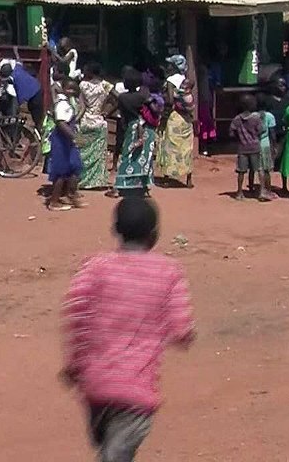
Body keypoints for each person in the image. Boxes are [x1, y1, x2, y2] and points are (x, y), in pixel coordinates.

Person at [61, 197, 195, 462]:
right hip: (136, 395)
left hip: (96, 389)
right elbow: (181, 328)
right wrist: (184, 335)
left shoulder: (95, 268)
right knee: (116, 454)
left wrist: (75, 364)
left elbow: (77, 316)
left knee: (108, 448)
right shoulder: (169, 273)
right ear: (154, 235)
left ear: (115, 230)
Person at [113, 70, 158, 198]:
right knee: (144, 157)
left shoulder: (122, 97)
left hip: (131, 127)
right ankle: (143, 186)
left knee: (127, 156)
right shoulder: (142, 96)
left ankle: (119, 187)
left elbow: (122, 114)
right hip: (145, 129)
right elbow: (155, 110)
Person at [157, 55, 196, 188]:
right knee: (186, 148)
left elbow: (170, 101)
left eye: (170, 64)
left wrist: (163, 115)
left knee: (170, 147)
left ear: (174, 66)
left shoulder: (171, 80)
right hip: (186, 118)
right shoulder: (186, 80)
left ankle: (167, 178)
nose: (168, 66)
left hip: (174, 117)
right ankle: (188, 179)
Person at [47, 79, 84, 211]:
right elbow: (61, 123)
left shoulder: (68, 102)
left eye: (74, 89)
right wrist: (75, 137)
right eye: (69, 89)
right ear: (63, 89)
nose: (72, 91)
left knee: (74, 167)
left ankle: (70, 194)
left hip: (67, 140)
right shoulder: (62, 104)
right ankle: (54, 201)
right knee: (62, 171)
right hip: (62, 140)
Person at [77, 63, 114, 191]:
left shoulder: (83, 85)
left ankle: (81, 179)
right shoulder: (106, 85)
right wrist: (108, 112)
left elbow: (81, 105)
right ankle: (95, 181)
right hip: (99, 121)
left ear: (90, 72)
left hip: (85, 120)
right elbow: (118, 98)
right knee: (98, 154)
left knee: (82, 151)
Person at [229, 94, 266, 201]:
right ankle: (262, 191)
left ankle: (239, 192)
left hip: (242, 148)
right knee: (259, 169)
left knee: (241, 171)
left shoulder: (237, 119)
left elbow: (231, 132)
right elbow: (261, 130)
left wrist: (239, 137)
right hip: (255, 147)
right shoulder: (256, 118)